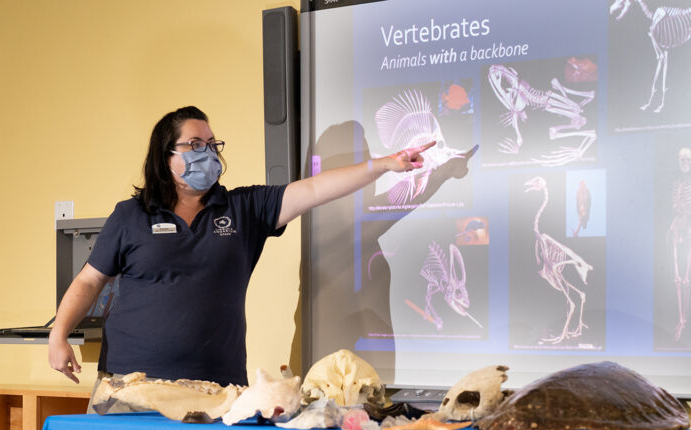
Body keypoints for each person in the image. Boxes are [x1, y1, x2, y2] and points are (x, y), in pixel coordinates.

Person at [48, 106, 432, 395]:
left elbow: (315, 189)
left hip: (215, 389)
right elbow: (89, 280)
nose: (208, 152)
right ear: (166, 156)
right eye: (195, 145)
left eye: (212, 144)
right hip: (129, 385)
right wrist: (59, 335)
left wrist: (385, 164)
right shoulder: (130, 215)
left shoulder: (243, 209)